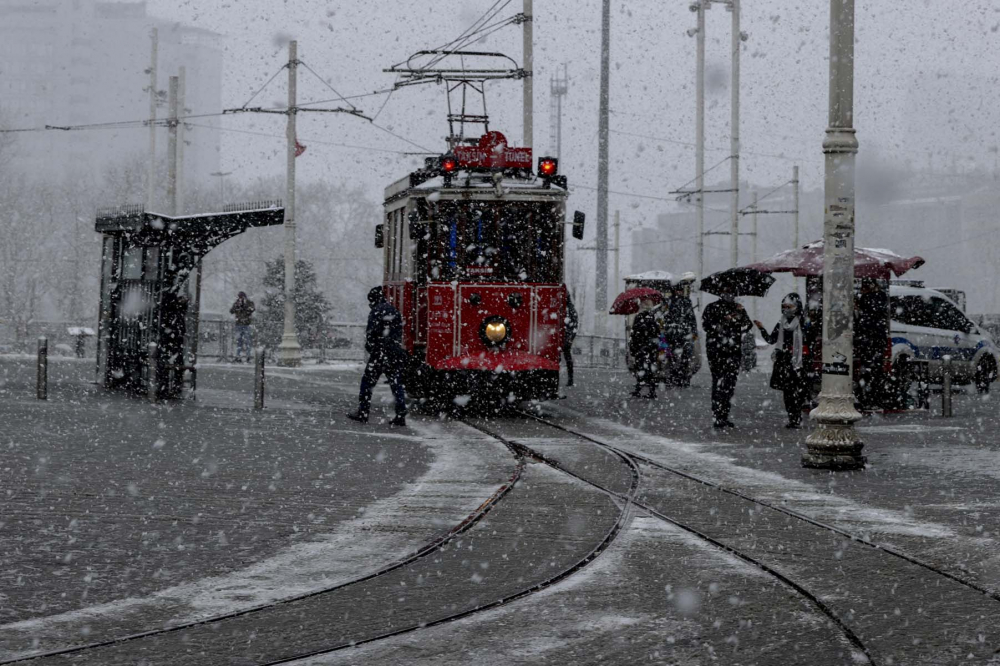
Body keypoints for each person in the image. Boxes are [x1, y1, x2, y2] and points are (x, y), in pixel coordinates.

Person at [348, 286, 408, 426]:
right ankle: (400, 414)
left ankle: (363, 412)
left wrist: (372, 349)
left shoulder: (376, 311)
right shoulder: (394, 311)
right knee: (396, 384)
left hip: (380, 352)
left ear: (373, 300)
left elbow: (371, 334)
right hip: (394, 352)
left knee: (367, 383)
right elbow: (398, 333)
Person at [754, 293, 808, 428]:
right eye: (784, 306)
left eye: (789, 306)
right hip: (784, 359)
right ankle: (793, 417)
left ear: (796, 306)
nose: (786, 309)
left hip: (800, 359)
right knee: (788, 390)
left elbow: (810, 338)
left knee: (800, 389)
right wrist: (761, 328)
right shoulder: (782, 321)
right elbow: (772, 339)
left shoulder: (803, 321)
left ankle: (797, 414)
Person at [702, 287, 753, 428]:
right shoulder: (712, 307)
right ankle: (717, 415)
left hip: (733, 351)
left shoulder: (738, 308)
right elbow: (707, 326)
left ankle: (724, 414)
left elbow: (748, 325)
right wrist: (723, 321)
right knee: (718, 382)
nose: (729, 295)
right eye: (726, 292)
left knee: (730, 384)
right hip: (716, 351)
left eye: (731, 292)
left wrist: (739, 317)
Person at [854, 278, 889, 410]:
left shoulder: (869, 301)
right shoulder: (880, 298)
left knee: (869, 370)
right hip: (875, 341)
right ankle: (873, 399)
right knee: (875, 370)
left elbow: (865, 320)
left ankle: (869, 398)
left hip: (870, 340)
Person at [662, 281, 698, 387]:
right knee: (675, 356)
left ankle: (680, 377)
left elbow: (691, 318)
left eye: (680, 290)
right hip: (677, 334)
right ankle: (678, 377)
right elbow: (691, 318)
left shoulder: (682, 302)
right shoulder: (675, 302)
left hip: (679, 333)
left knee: (683, 356)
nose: (679, 292)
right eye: (678, 290)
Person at [629, 300, 663, 398]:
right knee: (650, 370)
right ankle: (651, 391)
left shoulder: (638, 318)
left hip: (641, 348)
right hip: (650, 349)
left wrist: (633, 349)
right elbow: (657, 335)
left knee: (640, 369)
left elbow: (634, 334)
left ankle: (639, 390)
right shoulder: (653, 319)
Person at [230, 292, 255, 363]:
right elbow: (231, 311)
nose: (240, 298)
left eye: (242, 297)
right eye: (239, 297)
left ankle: (248, 357)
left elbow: (252, 309)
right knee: (239, 342)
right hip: (239, 324)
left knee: (248, 341)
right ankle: (238, 357)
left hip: (247, 324)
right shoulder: (237, 303)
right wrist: (237, 306)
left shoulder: (249, 303)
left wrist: (245, 306)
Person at [561, 292, 579, 388]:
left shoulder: (567, 309)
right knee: (567, 357)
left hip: (565, 335)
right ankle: (570, 379)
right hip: (566, 335)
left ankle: (570, 379)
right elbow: (575, 325)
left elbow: (574, 325)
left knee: (566, 356)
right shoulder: (570, 309)